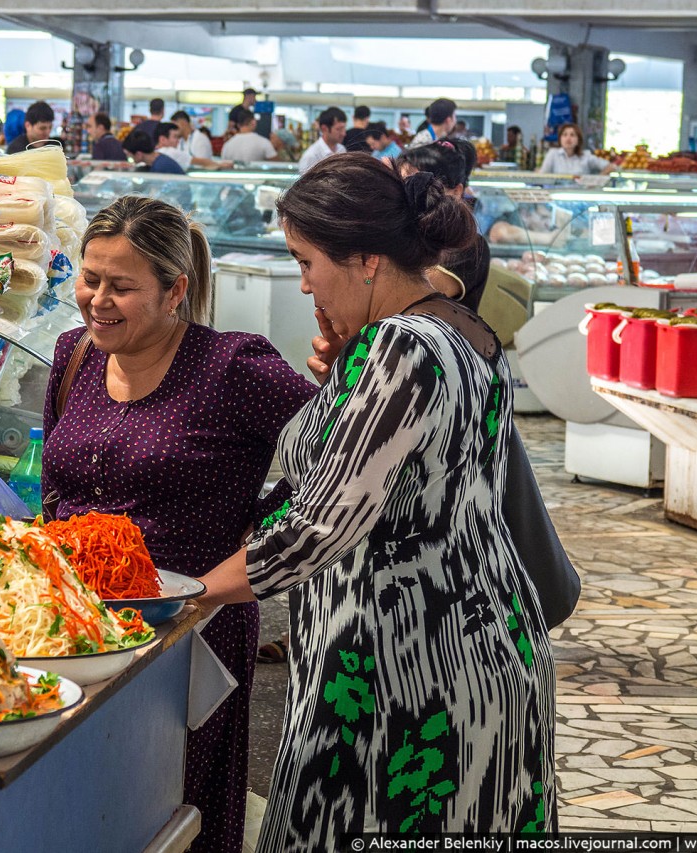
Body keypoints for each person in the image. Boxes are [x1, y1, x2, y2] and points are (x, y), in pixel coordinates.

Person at [197, 154, 557, 845]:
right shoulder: (460, 327)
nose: (303, 285)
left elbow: (318, 526)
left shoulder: (401, 347)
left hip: (411, 677)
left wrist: (192, 594)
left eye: (307, 263)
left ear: (366, 258)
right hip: (480, 647)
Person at [42, 195, 317, 853]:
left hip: (191, 639)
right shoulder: (73, 354)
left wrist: (260, 531)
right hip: (78, 631)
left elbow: (336, 451)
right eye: (90, 277)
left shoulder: (231, 366)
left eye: (121, 286)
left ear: (175, 291)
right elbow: (55, 481)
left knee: (174, 813)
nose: (97, 299)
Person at [398, 139, 490, 312]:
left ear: (456, 192)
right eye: (403, 184)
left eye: (423, 187)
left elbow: (412, 294)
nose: (409, 194)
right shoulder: (404, 230)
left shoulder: (469, 245)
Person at [540, 122, 613, 175]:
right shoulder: (553, 154)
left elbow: (610, 166)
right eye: (564, 135)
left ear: (578, 140)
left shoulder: (586, 156)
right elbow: (542, 176)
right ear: (560, 139)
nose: (568, 138)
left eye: (572, 135)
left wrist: (597, 180)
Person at [297, 106, 346, 173]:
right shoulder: (311, 156)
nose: (343, 133)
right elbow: (304, 182)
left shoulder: (342, 149)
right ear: (324, 129)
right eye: (338, 129)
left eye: (344, 128)